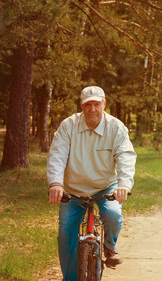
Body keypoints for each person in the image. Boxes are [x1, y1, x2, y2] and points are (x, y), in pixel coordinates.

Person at [47, 86, 136, 281]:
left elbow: (125, 157)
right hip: (73, 189)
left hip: (106, 187)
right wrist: (55, 183)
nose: (92, 109)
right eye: (88, 104)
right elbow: (57, 155)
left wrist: (124, 184)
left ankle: (109, 248)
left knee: (113, 214)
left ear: (104, 104)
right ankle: (70, 278)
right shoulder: (68, 126)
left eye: (97, 104)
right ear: (82, 105)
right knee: (65, 234)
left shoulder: (116, 128)